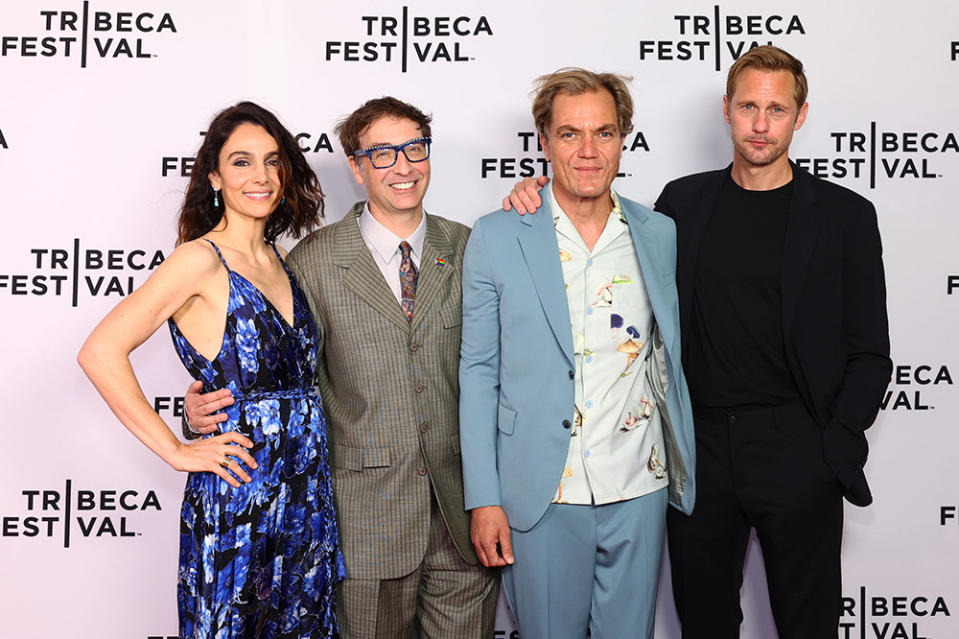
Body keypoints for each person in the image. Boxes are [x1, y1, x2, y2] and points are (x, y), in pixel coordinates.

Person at [505, 46, 892, 639]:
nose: (761, 124)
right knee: (703, 621)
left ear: (801, 115)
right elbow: (596, 224)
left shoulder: (845, 216)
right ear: (726, 110)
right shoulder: (681, 205)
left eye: (777, 109)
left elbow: (870, 351)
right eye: (748, 107)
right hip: (698, 449)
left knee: (808, 623)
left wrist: (832, 449)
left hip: (798, 447)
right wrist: (529, 198)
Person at [185, 97, 499, 639]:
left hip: (462, 519)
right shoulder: (311, 262)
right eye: (382, 154)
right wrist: (202, 412)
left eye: (414, 149)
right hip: (365, 527)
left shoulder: (472, 246)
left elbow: (505, 365)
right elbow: (276, 374)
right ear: (355, 167)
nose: (402, 166)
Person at [78, 101, 344, 638]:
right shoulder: (198, 260)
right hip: (240, 495)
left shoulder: (280, 261)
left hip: (305, 500)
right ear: (215, 176)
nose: (262, 176)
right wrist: (176, 450)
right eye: (242, 162)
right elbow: (100, 351)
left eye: (272, 161)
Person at [459, 68, 696, 639]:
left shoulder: (658, 232)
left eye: (604, 133)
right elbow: (478, 371)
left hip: (639, 483)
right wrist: (483, 499)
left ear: (623, 139)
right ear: (543, 141)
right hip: (541, 490)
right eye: (569, 134)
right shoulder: (496, 234)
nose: (588, 150)